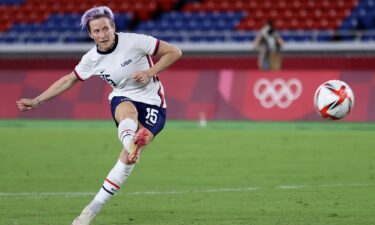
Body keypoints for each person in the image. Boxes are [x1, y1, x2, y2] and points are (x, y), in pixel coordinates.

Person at [16, 6, 182, 225]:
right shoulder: (92, 58)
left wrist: (150, 72)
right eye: (97, 31)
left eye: (106, 28)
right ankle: (88, 212)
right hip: (122, 96)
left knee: (126, 158)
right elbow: (69, 79)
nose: (102, 35)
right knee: (128, 114)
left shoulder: (135, 41)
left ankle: (128, 152)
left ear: (113, 27)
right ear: (90, 34)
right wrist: (37, 100)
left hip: (153, 102)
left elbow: (175, 52)